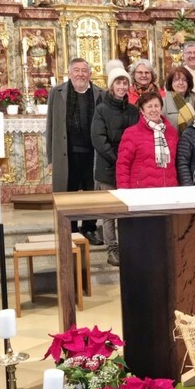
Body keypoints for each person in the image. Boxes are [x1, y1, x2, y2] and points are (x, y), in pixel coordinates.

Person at [46, 58, 104, 245]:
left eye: (84, 70)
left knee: (90, 193)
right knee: (68, 192)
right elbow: (51, 125)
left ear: (90, 74)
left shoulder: (99, 94)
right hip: (66, 153)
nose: (80, 74)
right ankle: (69, 228)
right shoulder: (57, 93)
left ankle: (89, 227)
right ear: (69, 73)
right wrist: (50, 156)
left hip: (91, 153)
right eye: (76, 70)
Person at [91, 62, 138, 266]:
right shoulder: (101, 109)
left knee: (127, 208)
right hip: (109, 167)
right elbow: (98, 138)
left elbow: (137, 137)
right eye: (118, 83)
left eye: (124, 83)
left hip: (129, 168)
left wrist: (129, 160)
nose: (121, 87)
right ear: (111, 86)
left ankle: (129, 246)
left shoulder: (133, 110)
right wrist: (118, 159)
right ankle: (112, 249)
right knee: (110, 212)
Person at [116, 91, 179, 188]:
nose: (154, 109)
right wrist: (124, 191)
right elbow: (123, 165)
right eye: (149, 106)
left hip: (169, 189)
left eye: (156, 106)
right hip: (141, 191)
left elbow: (176, 164)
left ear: (161, 108)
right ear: (142, 110)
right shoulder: (131, 133)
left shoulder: (171, 132)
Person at [162, 66, 195, 134]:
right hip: (172, 141)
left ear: (189, 82)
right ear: (171, 82)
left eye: (184, 80)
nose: (181, 83)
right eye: (176, 80)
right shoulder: (163, 100)